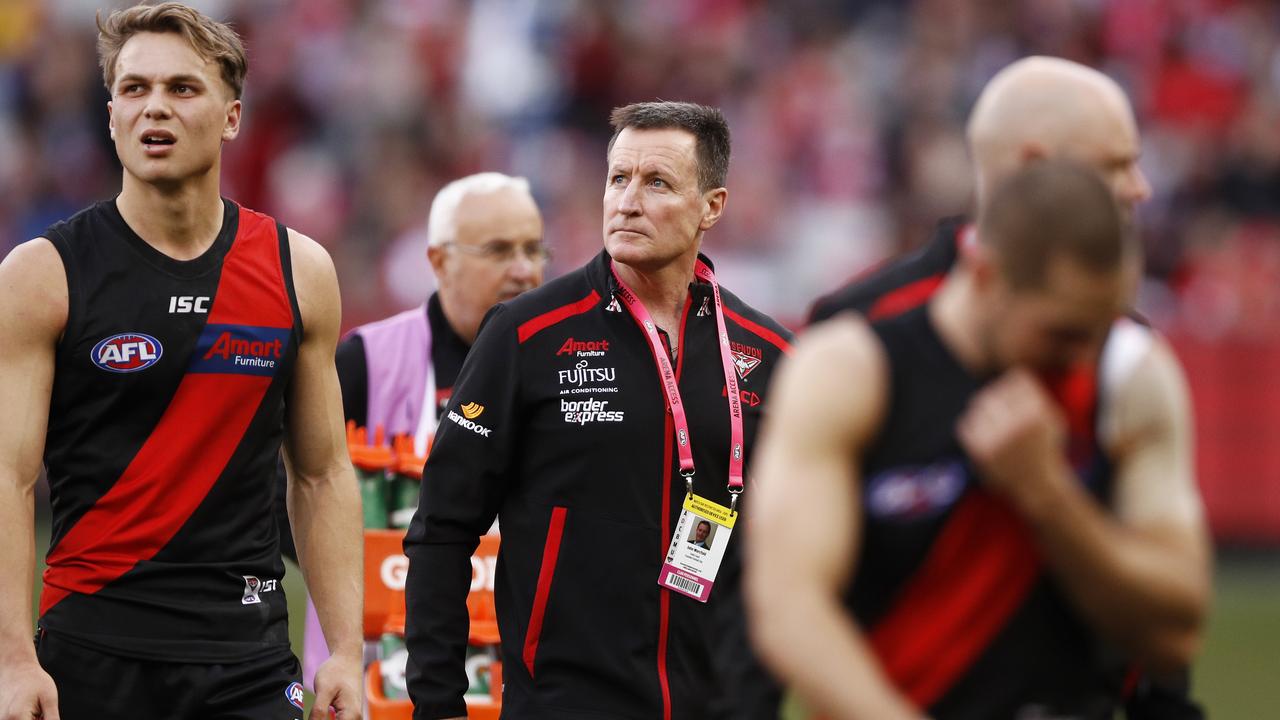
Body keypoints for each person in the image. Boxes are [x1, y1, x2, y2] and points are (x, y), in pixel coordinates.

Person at [804, 56, 1207, 717]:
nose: (1141, 189)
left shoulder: (1128, 355)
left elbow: (1169, 636)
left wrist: (1047, 492)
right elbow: (790, 600)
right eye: (1116, 164)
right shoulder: (851, 338)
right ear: (1034, 165)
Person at [0, 4, 362, 719]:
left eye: (181, 88)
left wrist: (346, 650)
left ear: (231, 117)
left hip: (249, 662)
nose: (153, 107)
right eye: (133, 90)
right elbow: (9, 479)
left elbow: (320, 474)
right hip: (92, 656)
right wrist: (15, 659)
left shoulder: (299, 271)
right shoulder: (42, 275)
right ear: (110, 116)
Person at [402, 101, 791, 720]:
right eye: (618, 178)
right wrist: (437, 704)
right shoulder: (526, 333)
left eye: (657, 182)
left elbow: (792, 559)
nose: (628, 200)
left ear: (711, 207)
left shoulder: (768, 354)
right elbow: (441, 531)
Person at [289, 171, 546, 685]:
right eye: (498, 250)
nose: (524, 269)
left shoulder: (569, 369)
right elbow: (285, 490)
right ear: (438, 261)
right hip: (382, 674)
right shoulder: (365, 362)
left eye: (535, 250)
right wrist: (371, 577)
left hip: (523, 681)